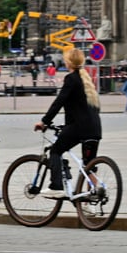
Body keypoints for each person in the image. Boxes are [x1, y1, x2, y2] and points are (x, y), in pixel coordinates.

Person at [33, 47, 103, 199]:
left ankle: (56, 186)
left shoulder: (71, 78)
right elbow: (83, 108)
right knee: (89, 165)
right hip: (95, 129)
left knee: (56, 151)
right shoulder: (86, 81)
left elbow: (59, 101)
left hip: (80, 128)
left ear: (69, 62)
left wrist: (44, 122)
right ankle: (91, 199)